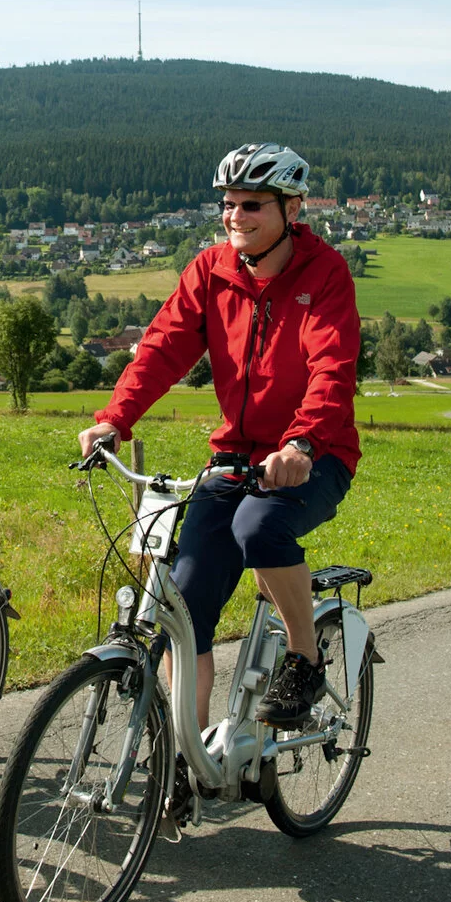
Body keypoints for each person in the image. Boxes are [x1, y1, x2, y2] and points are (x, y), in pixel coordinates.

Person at [79, 142, 361, 735]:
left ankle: (304, 657)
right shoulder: (211, 271)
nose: (235, 216)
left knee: (258, 526)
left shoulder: (324, 274)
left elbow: (331, 369)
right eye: (229, 204)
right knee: (185, 613)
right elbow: (160, 350)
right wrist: (115, 418)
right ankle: (185, 764)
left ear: (292, 208)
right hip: (233, 458)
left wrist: (302, 446)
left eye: (252, 205)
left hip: (314, 456)